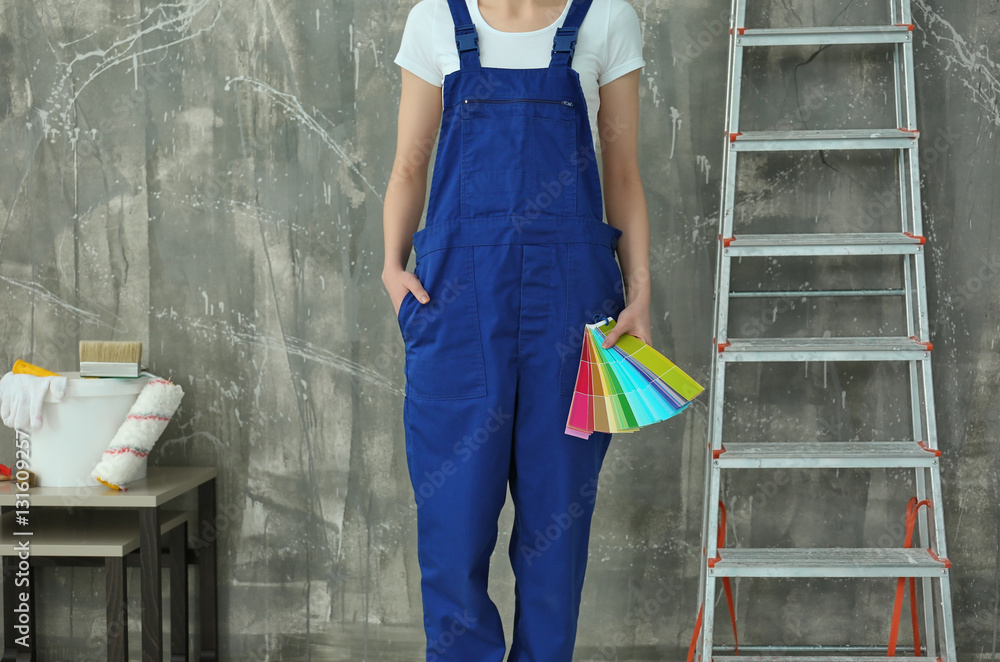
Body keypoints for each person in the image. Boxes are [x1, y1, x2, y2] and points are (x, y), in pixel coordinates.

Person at [381, 0, 650, 659]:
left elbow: (621, 174)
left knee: (555, 537)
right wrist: (392, 269)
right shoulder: (434, 22)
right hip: (456, 308)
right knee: (453, 530)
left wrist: (640, 295)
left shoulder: (607, 19)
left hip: (574, 306)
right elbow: (409, 166)